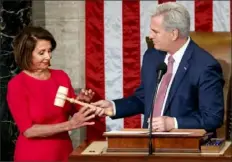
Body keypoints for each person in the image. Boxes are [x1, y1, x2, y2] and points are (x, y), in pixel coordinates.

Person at [92, 2, 224, 134]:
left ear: (174, 34)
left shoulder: (205, 66)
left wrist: (173, 123)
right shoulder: (152, 57)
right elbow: (144, 98)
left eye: (155, 31)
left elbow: (212, 118)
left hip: (183, 146)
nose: (150, 36)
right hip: (148, 143)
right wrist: (114, 107)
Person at [6, 26, 96, 161]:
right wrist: (69, 125)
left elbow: (73, 110)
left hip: (63, 152)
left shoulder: (61, 76)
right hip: (33, 155)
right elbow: (29, 131)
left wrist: (83, 102)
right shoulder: (17, 84)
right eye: (41, 53)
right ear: (26, 53)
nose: (48, 56)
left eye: (49, 51)